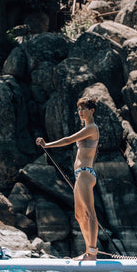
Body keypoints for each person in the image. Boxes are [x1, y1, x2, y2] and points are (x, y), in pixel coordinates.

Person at [36, 97, 99, 261]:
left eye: (84, 108)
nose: (81, 112)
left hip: (86, 173)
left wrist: (47, 145)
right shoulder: (87, 128)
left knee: (89, 213)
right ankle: (88, 251)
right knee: (79, 215)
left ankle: (92, 253)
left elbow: (68, 140)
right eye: (79, 109)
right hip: (80, 174)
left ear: (92, 111)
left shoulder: (92, 128)